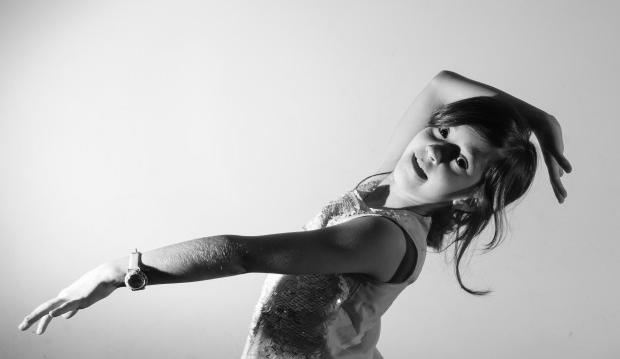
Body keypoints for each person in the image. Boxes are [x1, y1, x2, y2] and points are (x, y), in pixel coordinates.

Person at [18, 71, 571, 358]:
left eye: (461, 160)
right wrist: (536, 119)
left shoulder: (382, 236)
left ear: (470, 197)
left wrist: (121, 269)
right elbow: (441, 85)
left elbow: (239, 254)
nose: (436, 150)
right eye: (443, 131)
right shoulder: (386, 184)